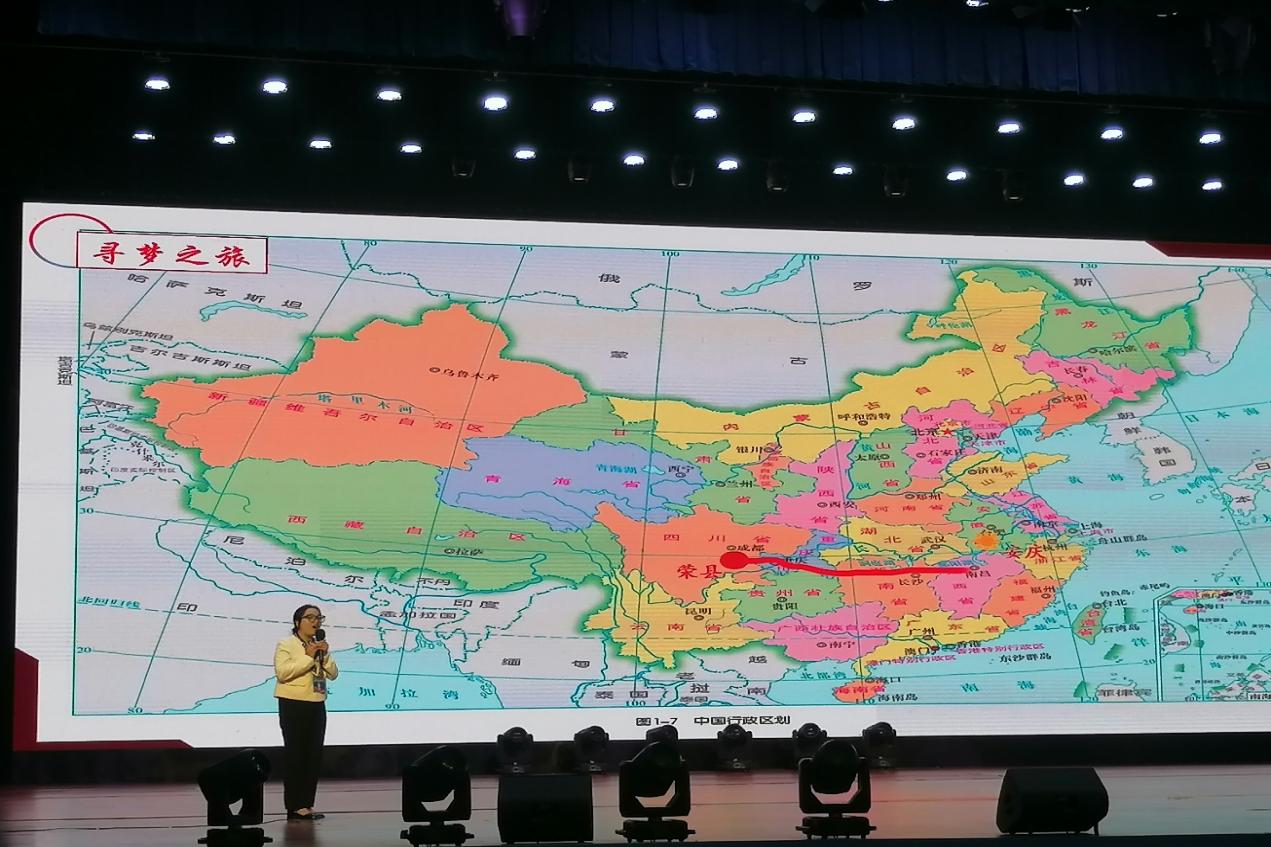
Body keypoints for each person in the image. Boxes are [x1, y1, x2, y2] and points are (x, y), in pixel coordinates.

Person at [275, 604, 338, 821]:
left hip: (317, 702)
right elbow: (283, 673)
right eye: (310, 617)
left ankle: (306, 804)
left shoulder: (318, 645)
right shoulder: (287, 644)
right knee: (296, 755)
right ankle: (294, 806)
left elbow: (333, 674)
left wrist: (324, 654)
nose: (315, 622)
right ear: (297, 622)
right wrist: (309, 657)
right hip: (293, 703)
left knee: (313, 756)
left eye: (318, 618)